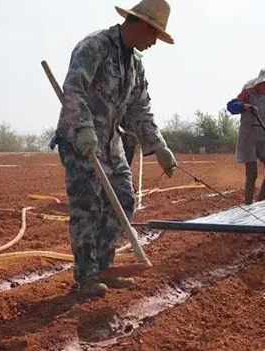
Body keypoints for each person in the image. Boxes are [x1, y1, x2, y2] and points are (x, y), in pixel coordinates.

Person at [53, 0, 178, 297]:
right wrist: (84, 127)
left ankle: (105, 268)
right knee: (88, 206)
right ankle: (86, 276)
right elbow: (73, 88)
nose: (153, 44)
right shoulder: (94, 46)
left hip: (111, 144)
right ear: (142, 25)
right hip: (79, 142)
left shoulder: (135, 64)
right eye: (154, 36)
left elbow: (140, 110)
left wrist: (158, 146)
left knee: (124, 198)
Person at [226, 69, 265, 205]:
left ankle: (261, 199)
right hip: (248, 136)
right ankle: (249, 203)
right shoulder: (247, 93)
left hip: (263, 136)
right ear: (260, 82)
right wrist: (246, 106)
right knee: (252, 173)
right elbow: (231, 106)